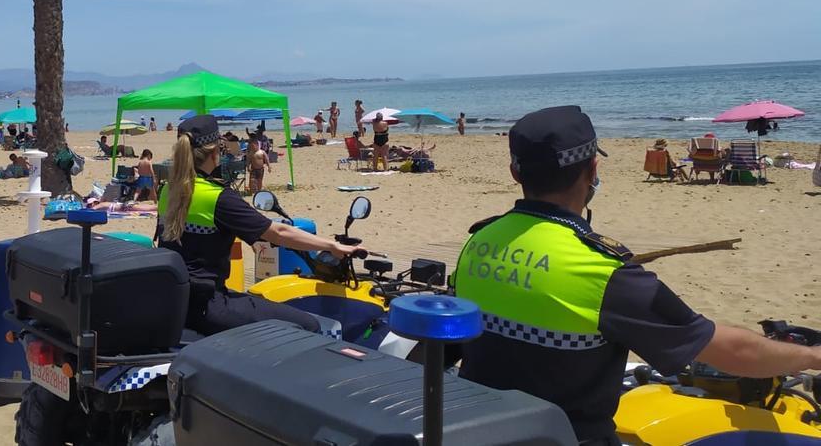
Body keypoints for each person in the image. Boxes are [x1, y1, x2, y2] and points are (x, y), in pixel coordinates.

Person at [452, 105, 821, 444]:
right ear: (593, 170)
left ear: (515, 171)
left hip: (483, 431)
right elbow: (729, 351)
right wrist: (811, 357)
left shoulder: (478, 242)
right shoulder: (602, 271)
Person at [157, 115, 363, 336]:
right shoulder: (218, 198)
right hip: (208, 304)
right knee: (308, 326)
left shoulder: (169, 191)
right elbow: (278, 232)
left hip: (176, 300)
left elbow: (195, 241)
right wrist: (333, 246)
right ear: (215, 151)